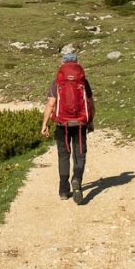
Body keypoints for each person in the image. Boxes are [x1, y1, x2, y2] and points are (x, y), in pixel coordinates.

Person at [40, 52, 94, 203]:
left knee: (63, 156)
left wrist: (44, 124)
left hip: (61, 124)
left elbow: (51, 104)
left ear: (63, 63)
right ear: (77, 63)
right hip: (80, 124)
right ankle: (76, 179)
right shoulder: (83, 81)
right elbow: (90, 103)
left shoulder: (57, 82)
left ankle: (63, 190)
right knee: (80, 154)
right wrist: (90, 121)